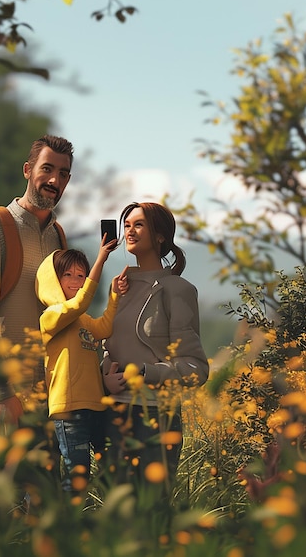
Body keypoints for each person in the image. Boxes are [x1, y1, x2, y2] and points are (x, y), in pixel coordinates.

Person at [0, 135, 73, 473]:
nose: (55, 181)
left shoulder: (58, 236)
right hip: (0, 394)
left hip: (46, 395)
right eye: (47, 169)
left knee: (39, 514)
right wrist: (2, 393)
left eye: (64, 174)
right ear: (27, 170)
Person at [101, 202, 209, 491]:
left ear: (160, 235)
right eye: (127, 225)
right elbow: (106, 346)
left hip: (156, 417)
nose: (130, 231)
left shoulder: (177, 290)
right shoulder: (121, 286)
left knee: (151, 514)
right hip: (114, 415)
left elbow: (195, 368)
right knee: (116, 513)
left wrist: (147, 372)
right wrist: (104, 378)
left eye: (139, 224)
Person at [35, 237, 127, 493]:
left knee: (110, 471)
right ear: (54, 281)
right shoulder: (51, 316)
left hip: (96, 406)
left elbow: (104, 328)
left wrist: (114, 296)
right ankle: (69, 526)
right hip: (69, 409)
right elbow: (80, 303)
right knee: (77, 477)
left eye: (81, 275)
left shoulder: (83, 319)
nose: (77, 281)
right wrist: (101, 259)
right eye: (69, 275)